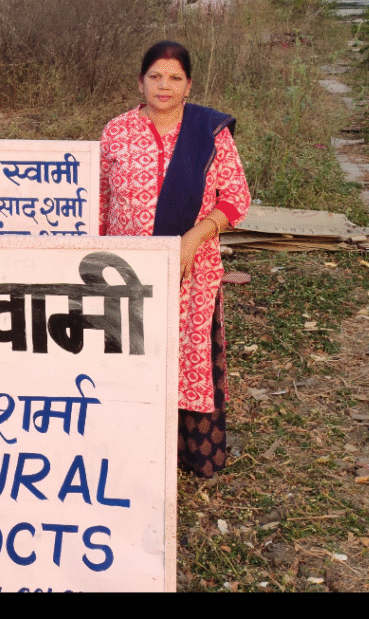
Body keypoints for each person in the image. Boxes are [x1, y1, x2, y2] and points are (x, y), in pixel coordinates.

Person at [99, 41, 250, 479]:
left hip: (191, 271)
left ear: (189, 86)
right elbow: (99, 201)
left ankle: (190, 455)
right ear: (140, 82)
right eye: (155, 76)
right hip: (125, 273)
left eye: (174, 78)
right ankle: (127, 453)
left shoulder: (208, 133)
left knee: (186, 355)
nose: (163, 86)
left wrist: (192, 239)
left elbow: (236, 198)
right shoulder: (116, 131)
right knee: (129, 354)